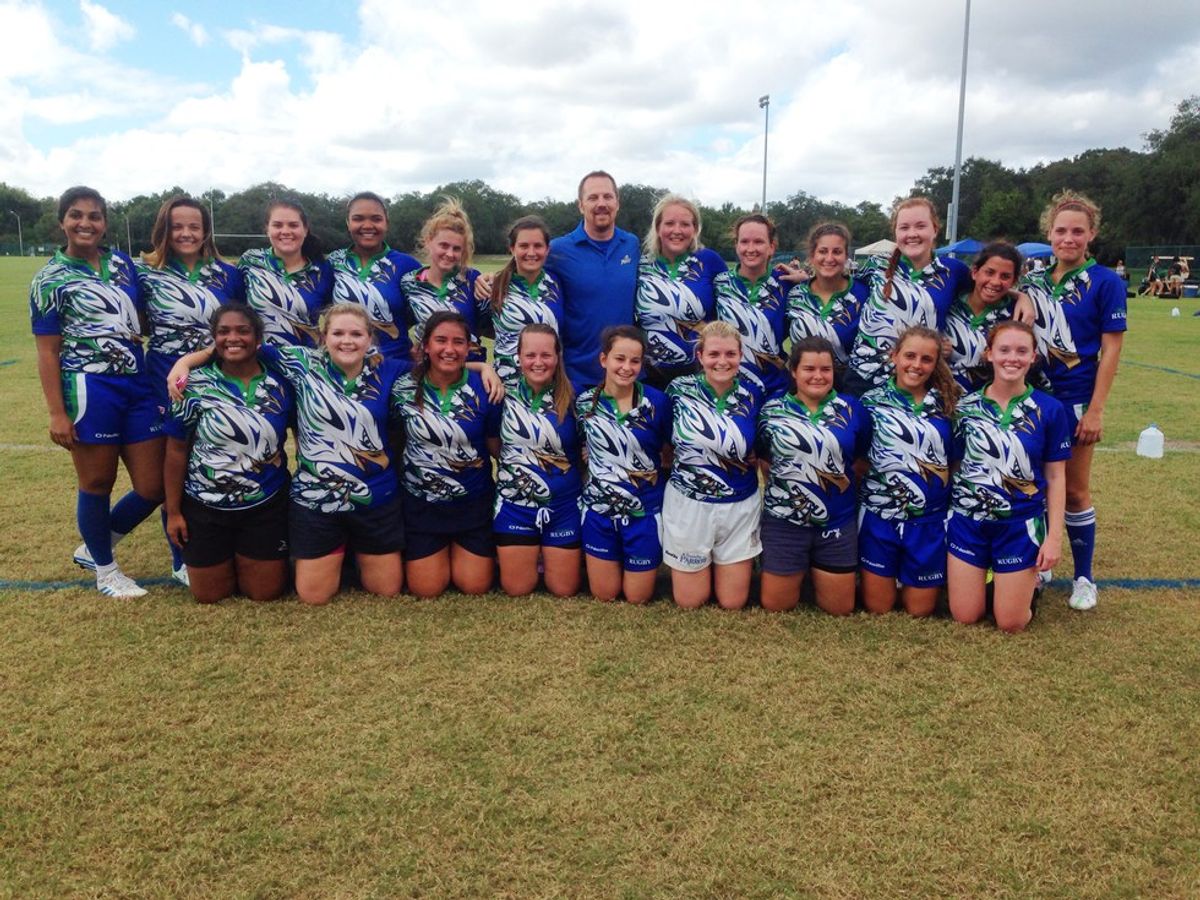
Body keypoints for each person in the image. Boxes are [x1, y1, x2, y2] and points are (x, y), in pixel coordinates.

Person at [170, 303, 408, 605]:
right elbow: (238, 345)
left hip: (375, 498)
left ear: (370, 338)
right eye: (338, 333)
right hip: (316, 498)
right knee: (313, 595)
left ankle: (352, 553)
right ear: (323, 337)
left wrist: (481, 368)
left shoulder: (391, 369)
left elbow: (439, 367)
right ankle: (334, 554)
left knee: (386, 590)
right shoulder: (300, 362)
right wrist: (186, 362)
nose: (346, 341)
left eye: (356, 334)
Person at [31, 186, 166, 598]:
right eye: (76, 215)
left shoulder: (123, 264)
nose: (85, 223)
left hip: (137, 384)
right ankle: (106, 571)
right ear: (62, 221)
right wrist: (57, 412)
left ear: (105, 223)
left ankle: (95, 546)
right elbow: (48, 351)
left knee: (153, 485)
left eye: (94, 216)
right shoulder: (49, 279)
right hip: (89, 386)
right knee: (97, 481)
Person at [1020, 191, 1126, 611]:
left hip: (1077, 400)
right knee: (1036, 484)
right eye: (1061, 230)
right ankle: (1042, 563)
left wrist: (1096, 409)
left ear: (1092, 234)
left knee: (1076, 490)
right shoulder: (1034, 281)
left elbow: (1111, 350)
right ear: (1049, 233)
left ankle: (1084, 577)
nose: (1068, 238)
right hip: (1035, 400)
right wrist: (1022, 295)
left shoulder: (1106, 281)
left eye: (1077, 231)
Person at [137, 194, 245, 584]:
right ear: (164, 229)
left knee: (210, 463)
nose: (186, 233)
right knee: (172, 469)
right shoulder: (146, 272)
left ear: (205, 231)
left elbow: (235, 330)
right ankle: (179, 559)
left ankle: (219, 541)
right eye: (177, 226)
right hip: (166, 383)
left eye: (193, 226)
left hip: (215, 381)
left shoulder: (227, 275)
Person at [163, 304, 293, 603]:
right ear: (213, 338)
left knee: (265, 593)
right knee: (209, 596)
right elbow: (176, 450)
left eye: (243, 331)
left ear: (258, 337)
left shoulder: (282, 384)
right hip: (205, 506)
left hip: (265, 504)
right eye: (224, 332)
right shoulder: (191, 385)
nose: (233, 338)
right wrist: (174, 512)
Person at [948, 321, 1070, 633]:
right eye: (1003, 350)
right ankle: (998, 580)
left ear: (1033, 358)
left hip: (1019, 524)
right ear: (989, 354)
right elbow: (956, 464)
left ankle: (1028, 584)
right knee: (965, 616)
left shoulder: (1050, 409)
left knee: (1010, 623)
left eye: (1021, 351)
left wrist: (1054, 537)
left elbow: (1056, 477)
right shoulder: (966, 406)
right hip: (968, 521)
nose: (1011, 358)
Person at [757, 336, 870, 615]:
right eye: (809, 369)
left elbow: (859, 460)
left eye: (825, 369)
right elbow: (764, 458)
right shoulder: (771, 410)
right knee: (776, 606)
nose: (818, 376)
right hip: (784, 521)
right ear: (794, 371)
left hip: (837, 520)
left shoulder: (854, 409)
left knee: (839, 609)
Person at [392, 311, 502, 598]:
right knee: (426, 589)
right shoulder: (402, 385)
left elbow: (494, 446)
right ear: (426, 346)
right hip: (421, 504)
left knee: (474, 586)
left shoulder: (486, 388)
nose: (449, 349)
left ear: (469, 348)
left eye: (458, 342)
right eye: (440, 341)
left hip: (472, 503)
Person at [858, 325, 960, 617]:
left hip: (928, 522)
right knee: (879, 607)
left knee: (919, 611)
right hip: (880, 518)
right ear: (894, 356)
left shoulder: (949, 404)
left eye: (926, 359)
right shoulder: (870, 402)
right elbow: (859, 460)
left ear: (936, 364)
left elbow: (954, 462)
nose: (916, 365)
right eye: (910, 356)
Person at [664, 321, 764, 610]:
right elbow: (662, 439)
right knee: (690, 601)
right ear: (700, 356)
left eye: (730, 354)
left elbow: (761, 443)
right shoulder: (677, 391)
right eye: (714, 354)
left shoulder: (754, 393)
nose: (722, 361)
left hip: (739, 504)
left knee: (733, 603)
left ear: (741, 355)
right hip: (689, 503)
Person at [576, 325, 672, 604]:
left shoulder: (658, 402)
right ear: (604, 359)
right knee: (604, 594)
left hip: (643, 514)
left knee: (637, 597)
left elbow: (669, 450)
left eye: (635, 361)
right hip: (599, 512)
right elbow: (581, 446)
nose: (626, 367)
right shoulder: (584, 403)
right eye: (619, 359)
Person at [846, 197, 973, 395]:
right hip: (863, 378)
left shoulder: (953, 271)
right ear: (895, 233)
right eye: (904, 228)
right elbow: (839, 284)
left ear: (935, 229)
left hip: (917, 380)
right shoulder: (876, 264)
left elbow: (989, 287)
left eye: (920, 226)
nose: (912, 234)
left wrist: (1020, 297)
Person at [490, 324, 581, 597]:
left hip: (563, 506)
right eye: (530, 355)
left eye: (546, 355)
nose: (538, 363)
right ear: (518, 355)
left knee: (563, 589)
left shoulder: (576, 397)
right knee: (518, 588)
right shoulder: (501, 393)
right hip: (516, 505)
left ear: (558, 356)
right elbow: (494, 445)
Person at [399, 198, 501, 397]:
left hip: (470, 374)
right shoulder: (409, 282)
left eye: (456, 249)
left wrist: (496, 281)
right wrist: (413, 347)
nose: (449, 254)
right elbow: (400, 322)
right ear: (429, 241)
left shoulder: (473, 281)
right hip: (428, 376)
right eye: (443, 245)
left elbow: (491, 329)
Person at [550, 171, 642, 388]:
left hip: (625, 374)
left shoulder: (631, 244)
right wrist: (489, 279)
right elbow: (523, 270)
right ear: (580, 205)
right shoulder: (558, 250)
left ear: (617, 203)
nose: (601, 203)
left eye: (607, 197)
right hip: (576, 377)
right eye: (593, 198)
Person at [634, 193, 727, 388]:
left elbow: (738, 297)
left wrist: (791, 279)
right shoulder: (640, 264)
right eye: (669, 223)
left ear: (695, 229)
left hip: (700, 375)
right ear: (658, 228)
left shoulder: (709, 261)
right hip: (649, 376)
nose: (677, 230)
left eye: (685, 224)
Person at [327, 191, 421, 362]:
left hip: (395, 365)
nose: (368, 225)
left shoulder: (407, 265)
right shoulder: (334, 262)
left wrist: (483, 280)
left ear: (387, 223)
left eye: (376, 219)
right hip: (345, 366)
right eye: (358, 218)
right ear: (348, 223)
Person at [713, 214, 791, 398]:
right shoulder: (719, 284)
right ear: (736, 245)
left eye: (758, 242)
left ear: (771, 247)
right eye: (744, 242)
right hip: (731, 387)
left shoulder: (788, 284)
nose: (750, 249)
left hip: (775, 388)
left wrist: (807, 280)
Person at [786, 222, 868, 391]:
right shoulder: (795, 295)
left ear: (846, 256)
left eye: (837, 252)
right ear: (812, 256)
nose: (829, 258)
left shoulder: (865, 293)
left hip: (850, 393)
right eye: (823, 251)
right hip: (803, 393)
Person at [240, 199, 333, 348]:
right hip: (258, 362)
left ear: (305, 229)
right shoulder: (251, 261)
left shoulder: (323, 270)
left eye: (293, 225)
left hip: (307, 363)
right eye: (277, 225)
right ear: (267, 229)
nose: (285, 231)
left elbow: (331, 319)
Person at [489, 216, 564, 388]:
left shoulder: (558, 283)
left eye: (538, 246)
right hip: (507, 388)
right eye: (523, 246)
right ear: (512, 248)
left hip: (551, 387)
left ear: (547, 249)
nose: (531, 253)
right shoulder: (493, 287)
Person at [945, 241, 1024, 392]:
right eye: (989, 272)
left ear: (1013, 281)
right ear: (975, 272)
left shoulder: (1017, 316)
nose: (995, 282)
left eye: (1005, 276)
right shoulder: (948, 304)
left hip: (988, 408)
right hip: (941, 401)